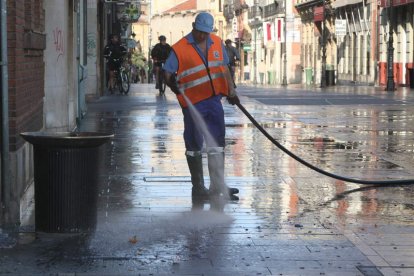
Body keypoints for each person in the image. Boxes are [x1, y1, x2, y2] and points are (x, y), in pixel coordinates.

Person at [164, 12, 241, 201]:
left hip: (214, 101)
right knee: (194, 144)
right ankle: (198, 187)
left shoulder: (216, 42)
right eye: (199, 32)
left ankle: (217, 186)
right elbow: (167, 73)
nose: (202, 36)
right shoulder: (179, 48)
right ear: (193, 27)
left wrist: (231, 92)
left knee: (217, 144)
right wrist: (172, 85)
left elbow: (225, 70)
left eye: (205, 33)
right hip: (193, 104)